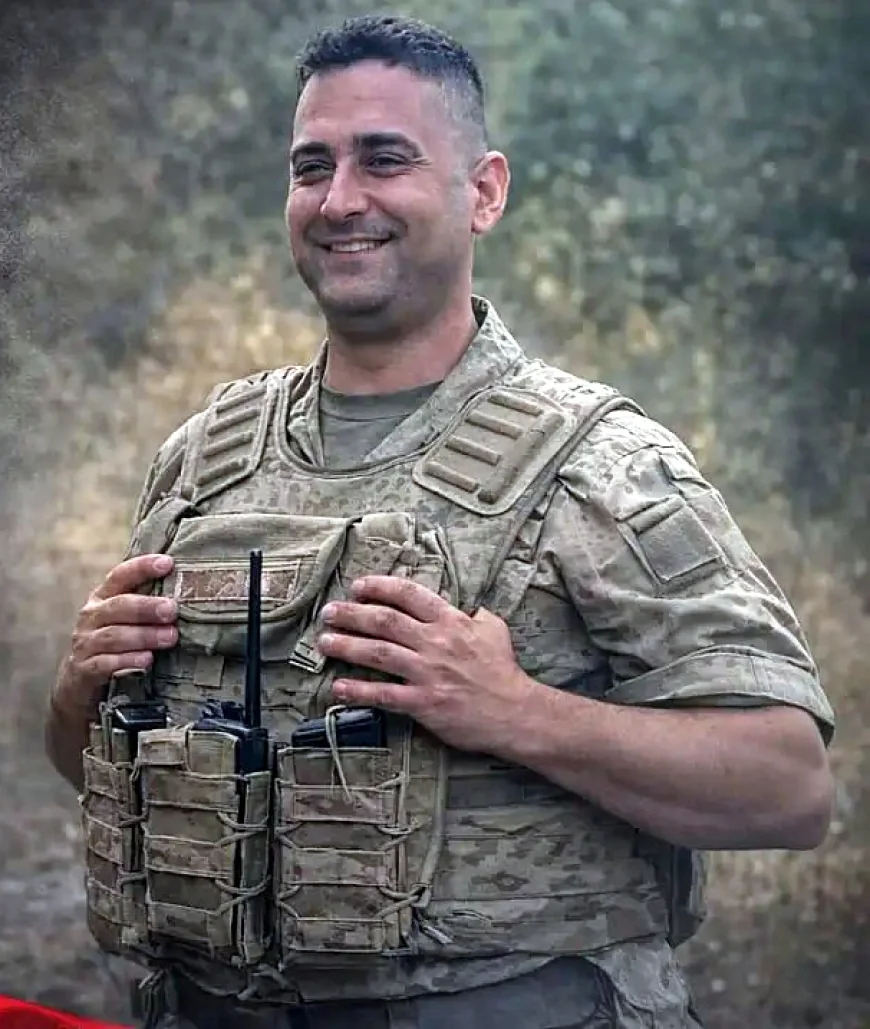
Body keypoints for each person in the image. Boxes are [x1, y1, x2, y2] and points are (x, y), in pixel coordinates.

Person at [45, 14, 836, 1029]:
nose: (340, 200)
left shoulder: (600, 463)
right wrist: (79, 690)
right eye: (312, 166)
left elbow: (787, 786)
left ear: (484, 192)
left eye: (385, 160)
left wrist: (518, 712)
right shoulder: (203, 461)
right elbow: (91, 766)